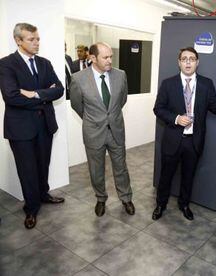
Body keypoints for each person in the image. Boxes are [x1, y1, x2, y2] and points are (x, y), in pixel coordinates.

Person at [152, 46, 216, 221]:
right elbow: (158, 109)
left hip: (194, 141)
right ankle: (160, 204)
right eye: (184, 59)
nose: (188, 62)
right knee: (165, 176)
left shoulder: (206, 84)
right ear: (179, 62)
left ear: (197, 63)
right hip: (172, 140)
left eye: (192, 59)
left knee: (188, 177)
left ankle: (184, 205)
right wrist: (176, 118)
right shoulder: (168, 83)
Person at [0, 23, 65, 229]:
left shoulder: (45, 63)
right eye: (31, 39)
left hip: (45, 124)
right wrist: (45, 94)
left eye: (37, 39)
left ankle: (43, 195)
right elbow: (11, 97)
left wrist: (34, 93)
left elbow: (60, 90)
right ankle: (31, 208)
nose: (37, 43)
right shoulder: (6, 64)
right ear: (18, 40)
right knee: (27, 170)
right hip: (21, 128)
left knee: (42, 164)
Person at [70, 42, 135, 217]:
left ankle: (126, 198)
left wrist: (109, 116)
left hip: (116, 130)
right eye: (105, 57)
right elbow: (77, 105)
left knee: (121, 168)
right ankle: (100, 199)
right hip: (93, 132)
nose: (109, 61)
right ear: (92, 58)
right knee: (96, 170)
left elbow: (122, 100)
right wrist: (94, 119)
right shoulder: (78, 78)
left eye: (111, 57)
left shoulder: (120, 75)